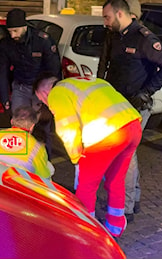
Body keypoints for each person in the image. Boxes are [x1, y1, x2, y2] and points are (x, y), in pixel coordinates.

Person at [33, 73, 142, 238]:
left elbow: (67, 128)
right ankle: (115, 225)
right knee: (116, 180)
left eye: (41, 100)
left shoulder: (57, 92)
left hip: (106, 133)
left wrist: (76, 157)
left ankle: (87, 232)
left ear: (44, 92)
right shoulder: (86, 81)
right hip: (132, 125)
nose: (44, 104)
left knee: (86, 186)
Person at [102, 0, 162, 223]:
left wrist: (147, 91)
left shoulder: (144, 38)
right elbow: (109, 66)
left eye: (106, 17)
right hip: (117, 102)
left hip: (135, 104)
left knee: (125, 152)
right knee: (127, 152)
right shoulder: (116, 35)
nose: (104, 21)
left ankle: (125, 205)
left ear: (119, 14)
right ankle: (132, 199)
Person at [0, 8, 61, 157]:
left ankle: (44, 162)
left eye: (15, 31)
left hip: (41, 89)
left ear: (24, 26)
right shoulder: (6, 43)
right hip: (20, 87)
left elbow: (54, 71)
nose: (12, 35)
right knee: (19, 124)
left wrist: (48, 100)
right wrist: (5, 98)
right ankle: (20, 161)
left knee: (41, 128)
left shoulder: (43, 40)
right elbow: (2, 71)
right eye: (10, 31)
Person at [0, 106, 52, 179]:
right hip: (17, 186)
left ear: (11, 121)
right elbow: (44, 177)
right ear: (32, 126)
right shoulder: (37, 147)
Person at [97, 0, 142, 79]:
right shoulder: (112, 33)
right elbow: (104, 58)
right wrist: (100, 79)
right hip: (114, 80)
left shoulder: (142, 35)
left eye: (133, 17)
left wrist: (147, 89)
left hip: (133, 84)